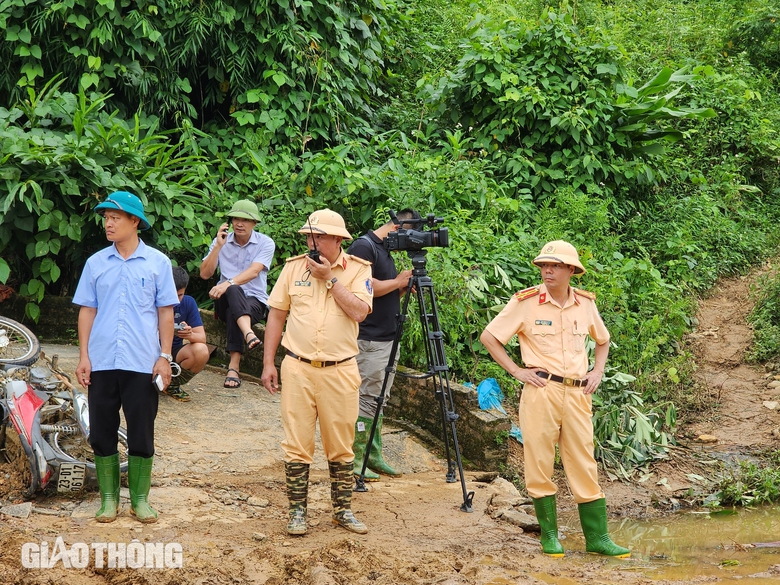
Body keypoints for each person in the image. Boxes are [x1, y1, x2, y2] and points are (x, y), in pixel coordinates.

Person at [479, 240, 630, 559]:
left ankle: (598, 538)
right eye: (544, 265)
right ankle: (549, 536)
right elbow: (490, 337)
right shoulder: (526, 302)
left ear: (571, 271)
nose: (547, 270)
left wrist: (597, 371)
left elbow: (602, 341)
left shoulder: (585, 304)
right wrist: (517, 371)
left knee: (584, 462)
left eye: (556, 265)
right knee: (539, 461)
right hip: (541, 392)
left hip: (577, 393)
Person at [261, 209, 373, 536]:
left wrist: (330, 280)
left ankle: (342, 511)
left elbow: (359, 312)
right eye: (309, 236)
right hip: (297, 366)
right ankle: (297, 512)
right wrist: (269, 362)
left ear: (338, 240)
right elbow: (276, 316)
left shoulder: (358, 270)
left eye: (319, 237)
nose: (312, 242)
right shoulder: (294, 268)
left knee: (341, 444)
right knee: (296, 443)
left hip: (340, 370)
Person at [73, 190, 179, 524]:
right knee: (102, 430)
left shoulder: (158, 263)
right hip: (102, 360)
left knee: (141, 430)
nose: (109, 223)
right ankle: (108, 500)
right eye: (105, 217)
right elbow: (87, 310)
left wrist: (164, 355)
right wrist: (83, 356)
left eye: (116, 217)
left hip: (142, 361)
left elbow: (165, 313)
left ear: (135, 222)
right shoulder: (96, 264)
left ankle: (140, 500)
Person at [345, 210, 418, 480]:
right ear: (398, 226)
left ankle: (373, 454)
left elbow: (381, 292)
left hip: (387, 337)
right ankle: (355, 457)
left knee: (379, 398)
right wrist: (397, 280)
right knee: (366, 398)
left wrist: (398, 288)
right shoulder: (364, 247)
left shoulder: (384, 250)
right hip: (369, 339)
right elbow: (362, 286)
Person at [199, 199, 275, 389]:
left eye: (245, 220)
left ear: (254, 223)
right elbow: (205, 273)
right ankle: (248, 333)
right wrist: (217, 246)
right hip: (223, 302)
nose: (239, 224)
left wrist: (228, 283)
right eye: (236, 219)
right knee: (232, 292)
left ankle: (233, 367)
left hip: (254, 302)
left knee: (234, 294)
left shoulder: (265, 243)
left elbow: (254, 271)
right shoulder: (221, 242)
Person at [164, 266, 211, 402]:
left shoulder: (188, 302)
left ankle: (172, 384)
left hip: (173, 350)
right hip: (149, 350)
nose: (176, 300)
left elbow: (201, 338)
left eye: (180, 295)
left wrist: (189, 335)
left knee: (201, 350)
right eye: (173, 295)